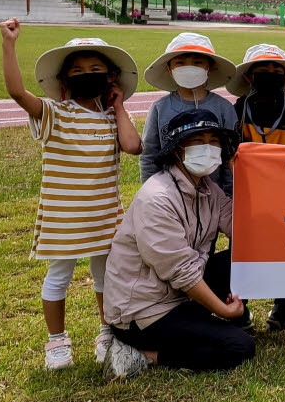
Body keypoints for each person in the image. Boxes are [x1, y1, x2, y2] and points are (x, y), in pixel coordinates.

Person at [0, 21, 143, 370]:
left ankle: (106, 330)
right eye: (77, 71)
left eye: (95, 70)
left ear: (110, 78)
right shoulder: (55, 114)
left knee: (105, 277)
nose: (86, 75)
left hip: (105, 216)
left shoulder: (112, 118)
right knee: (58, 276)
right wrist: (8, 45)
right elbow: (19, 94)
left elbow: (133, 146)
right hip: (64, 218)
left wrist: (119, 106)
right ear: (65, 81)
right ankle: (56, 342)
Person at [101, 110, 255, 379]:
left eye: (213, 140)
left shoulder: (208, 189)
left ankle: (198, 323)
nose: (207, 148)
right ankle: (144, 355)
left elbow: (245, 230)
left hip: (178, 295)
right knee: (239, 346)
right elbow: (182, 273)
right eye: (197, 141)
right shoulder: (157, 198)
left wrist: (241, 177)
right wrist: (224, 311)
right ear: (176, 151)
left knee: (242, 257)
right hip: (143, 312)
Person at [225, 43, 285, 332]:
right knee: (242, 250)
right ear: (249, 76)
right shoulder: (235, 111)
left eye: (276, 70)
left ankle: (284, 305)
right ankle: (240, 306)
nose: (270, 74)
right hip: (245, 197)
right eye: (262, 70)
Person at [140, 32, 237, 195]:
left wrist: (228, 195)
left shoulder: (224, 108)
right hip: (170, 195)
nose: (189, 67)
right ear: (169, 68)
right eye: (180, 62)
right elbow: (149, 155)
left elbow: (231, 157)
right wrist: (150, 192)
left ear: (210, 67)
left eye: (197, 62)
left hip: (215, 195)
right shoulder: (159, 108)